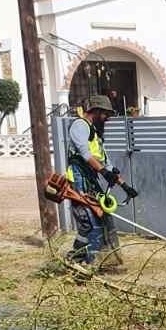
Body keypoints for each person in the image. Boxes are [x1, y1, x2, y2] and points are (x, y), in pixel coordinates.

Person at [64, 94, 138, 270]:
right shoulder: (79, 126)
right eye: (105, 114)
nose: (108, 119)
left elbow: (106, 162)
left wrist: (124, 186)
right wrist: (104, 172)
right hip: (79, 181)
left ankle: (106, 262)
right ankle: (85, 266)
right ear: (96, 111)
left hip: (91, 180)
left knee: (105, 220)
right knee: (91, 224)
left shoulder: (95, 133)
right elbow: (85, 154)